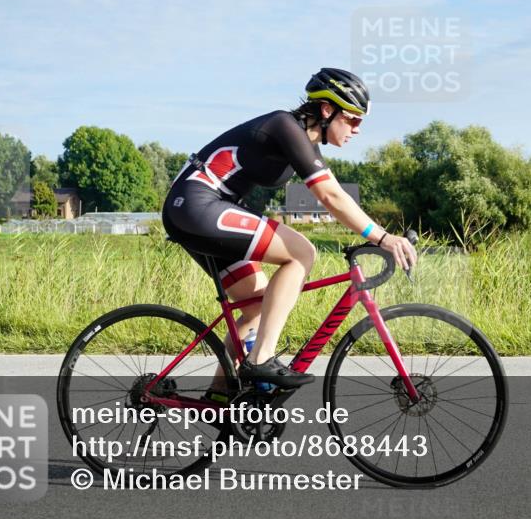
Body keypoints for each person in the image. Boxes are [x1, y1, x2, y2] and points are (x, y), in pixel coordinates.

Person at [161, 67, 418, 389]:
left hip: (199, 210)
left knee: (255, 305)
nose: (357, 129)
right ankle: (261, 359)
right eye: (352, 119)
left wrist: (376, 234)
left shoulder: (303, 142)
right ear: (327, 110)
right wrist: (382, 237)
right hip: (198, 205)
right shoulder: (285, 126)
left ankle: (219, 400)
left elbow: (333, 192)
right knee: (301, 252)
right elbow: (330, 196)